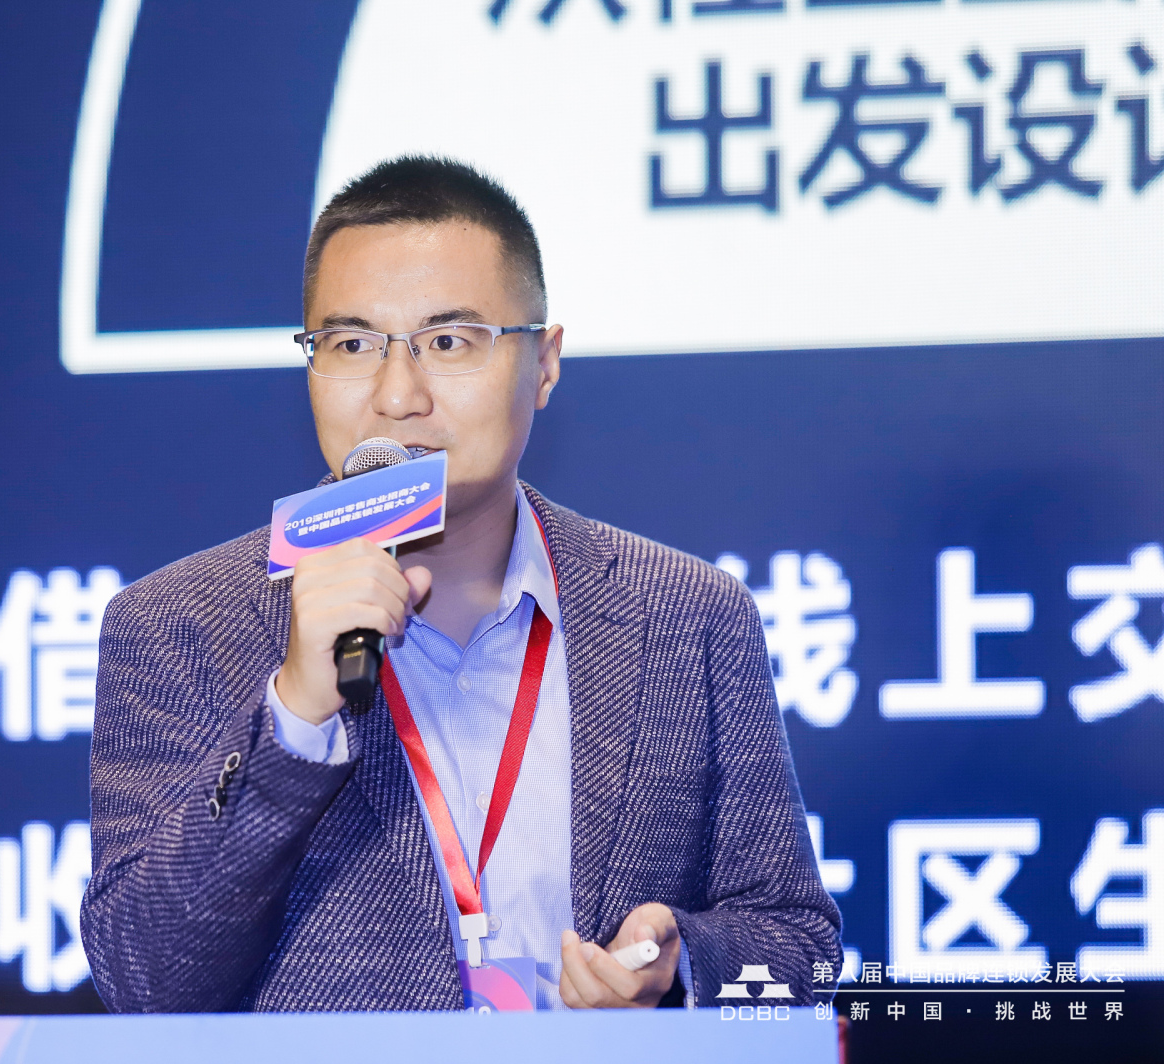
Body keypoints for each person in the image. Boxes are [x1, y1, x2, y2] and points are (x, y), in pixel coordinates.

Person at [80, 156, 840, 1012]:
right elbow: (143, 980)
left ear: (544, 363)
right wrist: (293, 719)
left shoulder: (687, 615)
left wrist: (678, 970)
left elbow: (798, 949)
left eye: (448, 342)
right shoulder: (176, 624)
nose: (398, 395)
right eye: (353, 344)